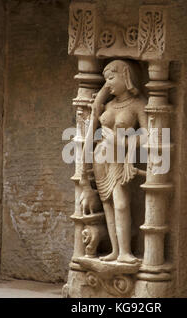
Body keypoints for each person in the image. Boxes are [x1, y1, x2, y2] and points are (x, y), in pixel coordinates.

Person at [80, 60, 148, 264]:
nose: (107, 83)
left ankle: (126, 251)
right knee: (108, 204)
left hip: (119, 158)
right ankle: (116, 251)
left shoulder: (138, 104)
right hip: (101, 158)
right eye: (104, 79)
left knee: (121, 203)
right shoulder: (107, 105)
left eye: (111, 78)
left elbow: (147, 134)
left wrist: (123, 141)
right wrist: (97, 104)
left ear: (125, 75)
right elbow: (92, 130)